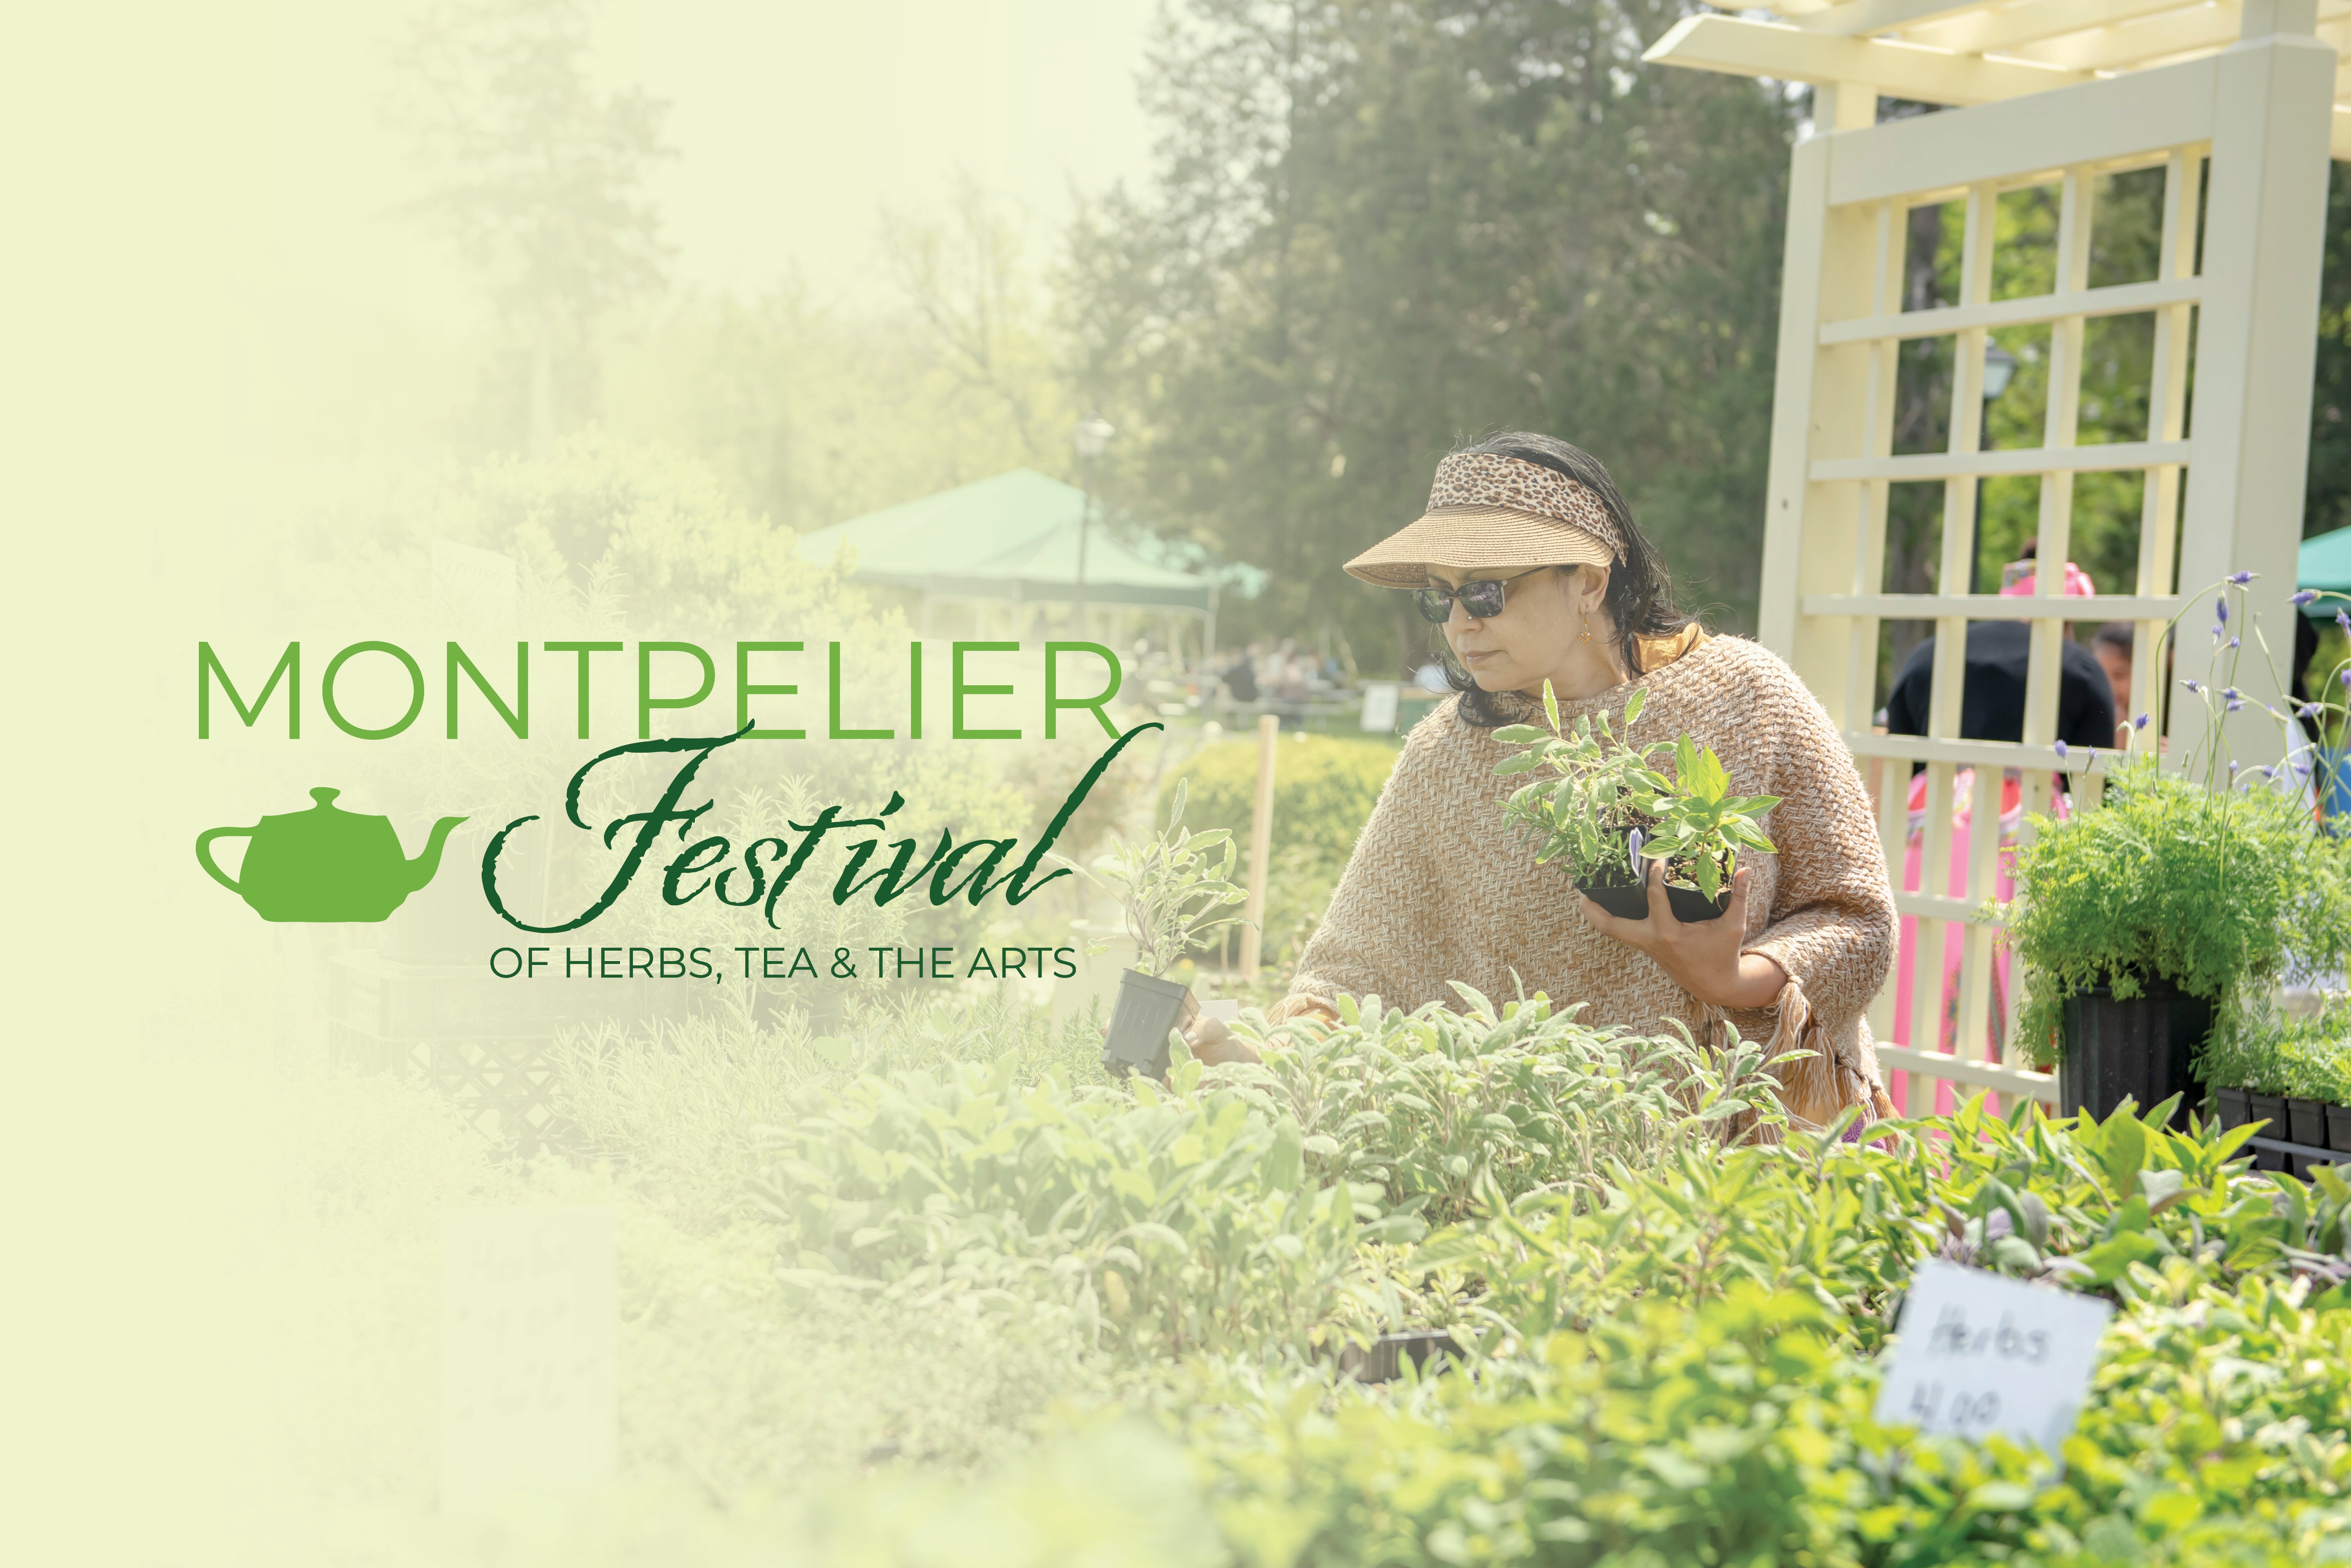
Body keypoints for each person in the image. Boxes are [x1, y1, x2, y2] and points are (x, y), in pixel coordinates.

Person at [1186, 431, 1898, 1132]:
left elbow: (1856, 916)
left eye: (1488, 592)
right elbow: (1355, 968)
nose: (1462, 624)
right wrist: (1263, 1058)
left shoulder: (1746, 697)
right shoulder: (1445, 756)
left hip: (1752, 1167)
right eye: (1442, 598)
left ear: (1589, 582)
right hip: (1530, 1174)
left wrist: (1735, 981)